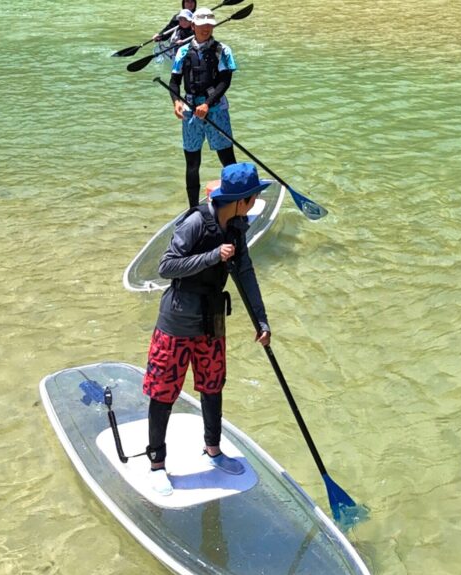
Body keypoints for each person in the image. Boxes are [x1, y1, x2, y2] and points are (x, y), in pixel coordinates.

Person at [142, 162, 272, 496]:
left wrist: (261, 321)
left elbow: (245, 273)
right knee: (163, 393)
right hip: (177, 321)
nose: (256, 202)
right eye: (254, 197)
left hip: (212, 320)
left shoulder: (237, 228)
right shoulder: (196, 223)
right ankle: (157, 464)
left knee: (212, 386)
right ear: (239, 200)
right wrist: (212, 256)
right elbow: (166, 266)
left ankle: (213, 450)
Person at [170, 7, 239, 208]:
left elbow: (225, 82)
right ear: (193, 26)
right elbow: (174, 82)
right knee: (192, 164)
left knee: (227, 160)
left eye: (209, 24)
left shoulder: (223, 51)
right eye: (201, 25)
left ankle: (237, 204)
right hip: (191, 113)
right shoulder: (182, 51)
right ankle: (193, 209)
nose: (206, 28)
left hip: (216, 111)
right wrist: (176, 102)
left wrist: (207, 104)